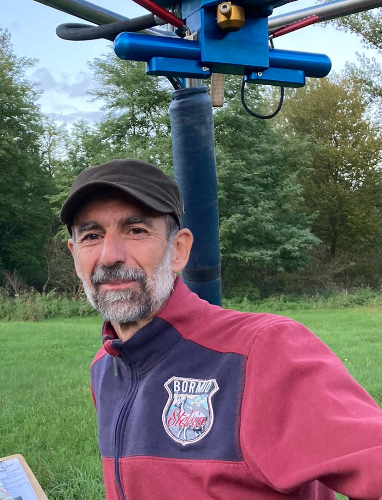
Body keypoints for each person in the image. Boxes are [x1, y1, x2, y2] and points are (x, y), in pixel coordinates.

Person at [60, 158, 382, 500]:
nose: (109, 255)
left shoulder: (261, 350)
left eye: (136, 230)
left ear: (178, 250)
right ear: (75, 255)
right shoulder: (105, 367)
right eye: (92, 236)